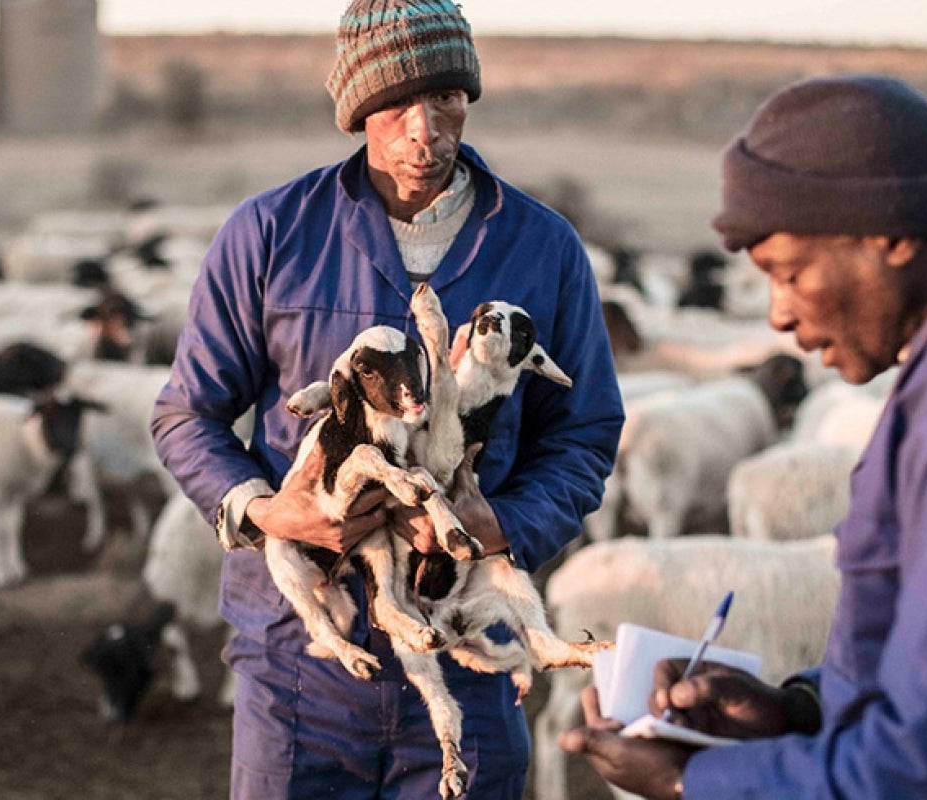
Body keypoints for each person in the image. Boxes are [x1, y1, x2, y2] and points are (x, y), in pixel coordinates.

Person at [560, 73, 927, 799]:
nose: (777, 315)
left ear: (888, 234)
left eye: (788, 271)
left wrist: (700, 781)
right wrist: (801, 711)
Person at [150, 1, 623, 797]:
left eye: (446, 99)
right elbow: (186, 413)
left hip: (465, 639)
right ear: (356, 108)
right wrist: (269, 511)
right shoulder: (270, 233)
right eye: (396, 103)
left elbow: (583, 435)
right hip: (302, 657)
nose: (424, 129)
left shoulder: (543, 247)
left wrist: (502, 523)